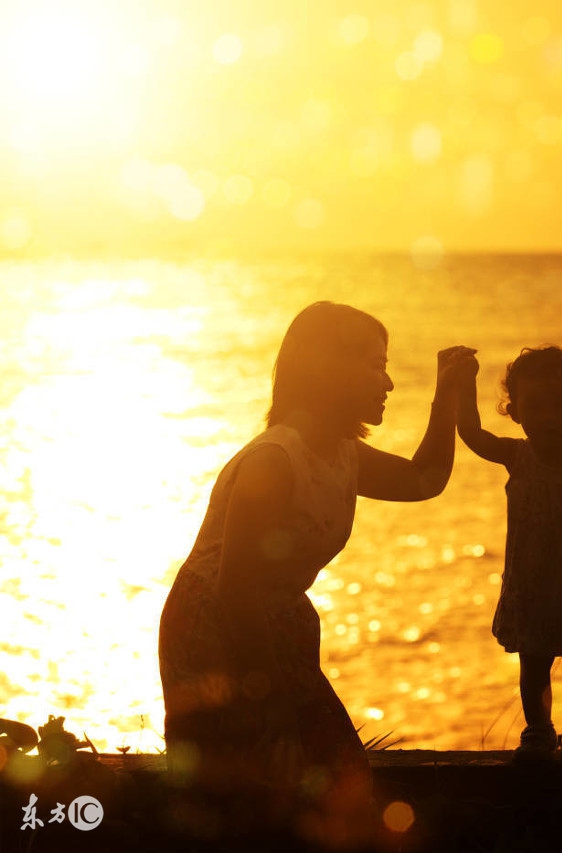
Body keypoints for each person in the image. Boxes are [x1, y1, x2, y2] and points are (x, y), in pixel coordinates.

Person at [158, 301, 476, 845]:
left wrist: (446, 394)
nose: (390, 382)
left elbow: (425, 478)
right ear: (328, 368)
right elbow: (235, 592)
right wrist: (273, 704)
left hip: (274, 622)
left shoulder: (341, 453)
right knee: (248, 799)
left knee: (334, 780)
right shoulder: (274, 461)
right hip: (214, 633)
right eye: (376, 365)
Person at [457, 346, 562, 761]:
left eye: (559, 405)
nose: (549, 417)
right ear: (514, 412)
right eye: (534, 407)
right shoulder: (516, 456)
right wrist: (462, 385)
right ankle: (538, 729)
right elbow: (472, 434)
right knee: (533, 666)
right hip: (529, 589)